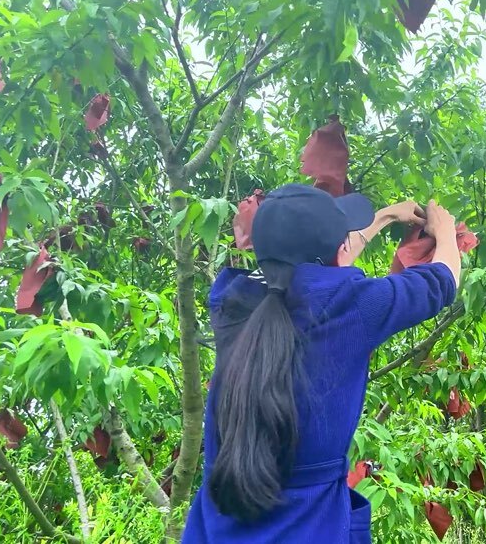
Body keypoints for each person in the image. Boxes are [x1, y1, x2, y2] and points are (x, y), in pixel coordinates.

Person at [181, 184, 460, 543]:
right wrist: (446, 231)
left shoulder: (231, 302)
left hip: (217, 527)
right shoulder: (356, 308)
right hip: (310, 527)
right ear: (339, 250)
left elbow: (317, 270)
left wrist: (388, 215)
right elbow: (442, 281)